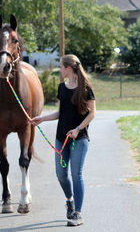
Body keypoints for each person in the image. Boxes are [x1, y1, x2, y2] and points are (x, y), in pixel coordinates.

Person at [31, 54, 96, 227]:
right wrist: (41, 119)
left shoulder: (86, 88)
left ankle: (78, 213)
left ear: (69, 68)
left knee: (76, 175)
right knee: (61, 174)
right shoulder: (62, 87)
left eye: (61, 67)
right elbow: (60, 113)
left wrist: (78, 129)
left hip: (79, 139)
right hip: (61, 138)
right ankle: (70, 200)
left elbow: (92, 113)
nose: (59, 70)